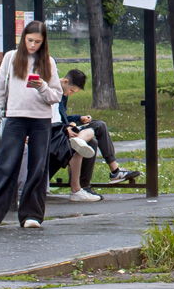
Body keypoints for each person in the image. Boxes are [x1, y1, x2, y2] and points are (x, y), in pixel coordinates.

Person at [0, 21, 62, 230]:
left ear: (44, 43)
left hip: (41, 119)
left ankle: (32, 215)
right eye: (29, 40)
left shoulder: (48, 63)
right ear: (23, 38)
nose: (33, 45)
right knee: (6, 165)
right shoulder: (10, 57)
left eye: (37, 42)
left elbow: (56, 96)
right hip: (16, 118)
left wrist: (42, 86)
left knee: (38, 167)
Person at [53, 69, 139, 202]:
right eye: (72, 91)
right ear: (65, 81)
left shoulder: (63, 92)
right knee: (99, 127)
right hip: (58, 133)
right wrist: (67, 127)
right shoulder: (54, 92)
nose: (71, 94)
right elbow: (53, 119)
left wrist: (78, 119)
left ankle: (84, 185)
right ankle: (114, 171)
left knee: (92, 140)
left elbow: (62, 117)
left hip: (64, 129)